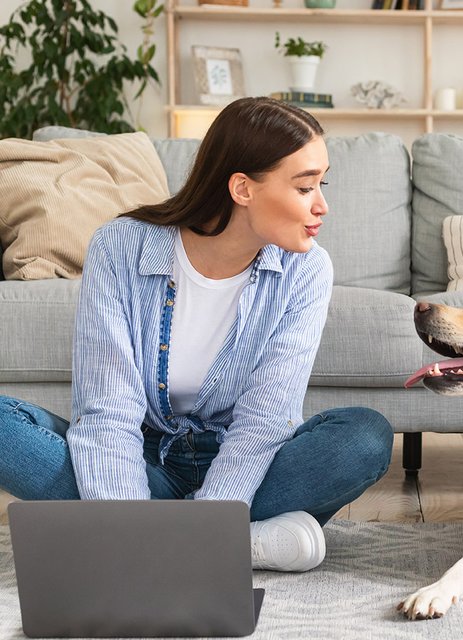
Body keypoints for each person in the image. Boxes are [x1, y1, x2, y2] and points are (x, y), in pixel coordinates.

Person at [0, 96, 393, 572]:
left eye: (320, 184)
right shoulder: (120, 247)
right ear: (242, 188)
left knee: (364, 437)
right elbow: (107, 410)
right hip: (142, 462)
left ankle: (164, 538)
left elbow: (265, 421)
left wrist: (207, 516)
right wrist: (127, 517)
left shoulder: (306, 269)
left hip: (247, 465)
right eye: (305, 187)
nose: (322, 206)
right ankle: (237, 543)